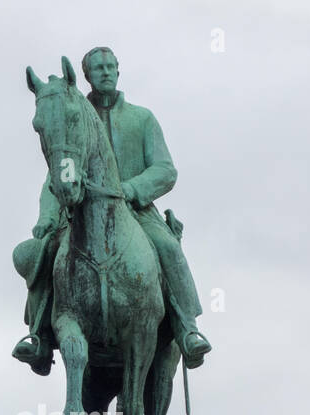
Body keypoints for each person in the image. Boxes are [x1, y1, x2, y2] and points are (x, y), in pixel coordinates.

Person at [14, 46, 213, 374]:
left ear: (118, 70)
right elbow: (58, 169)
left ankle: (187, 328)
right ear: (87, 77)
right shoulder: (73, 114)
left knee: (167, 247)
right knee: (45, 252)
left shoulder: (142, 118)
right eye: (98, 68)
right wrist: (48, 215)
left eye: (110, 67)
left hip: (137, 212)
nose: (105, 72)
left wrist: (131, 190)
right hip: (78, 215)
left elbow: (165, 169)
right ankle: (38, 336)